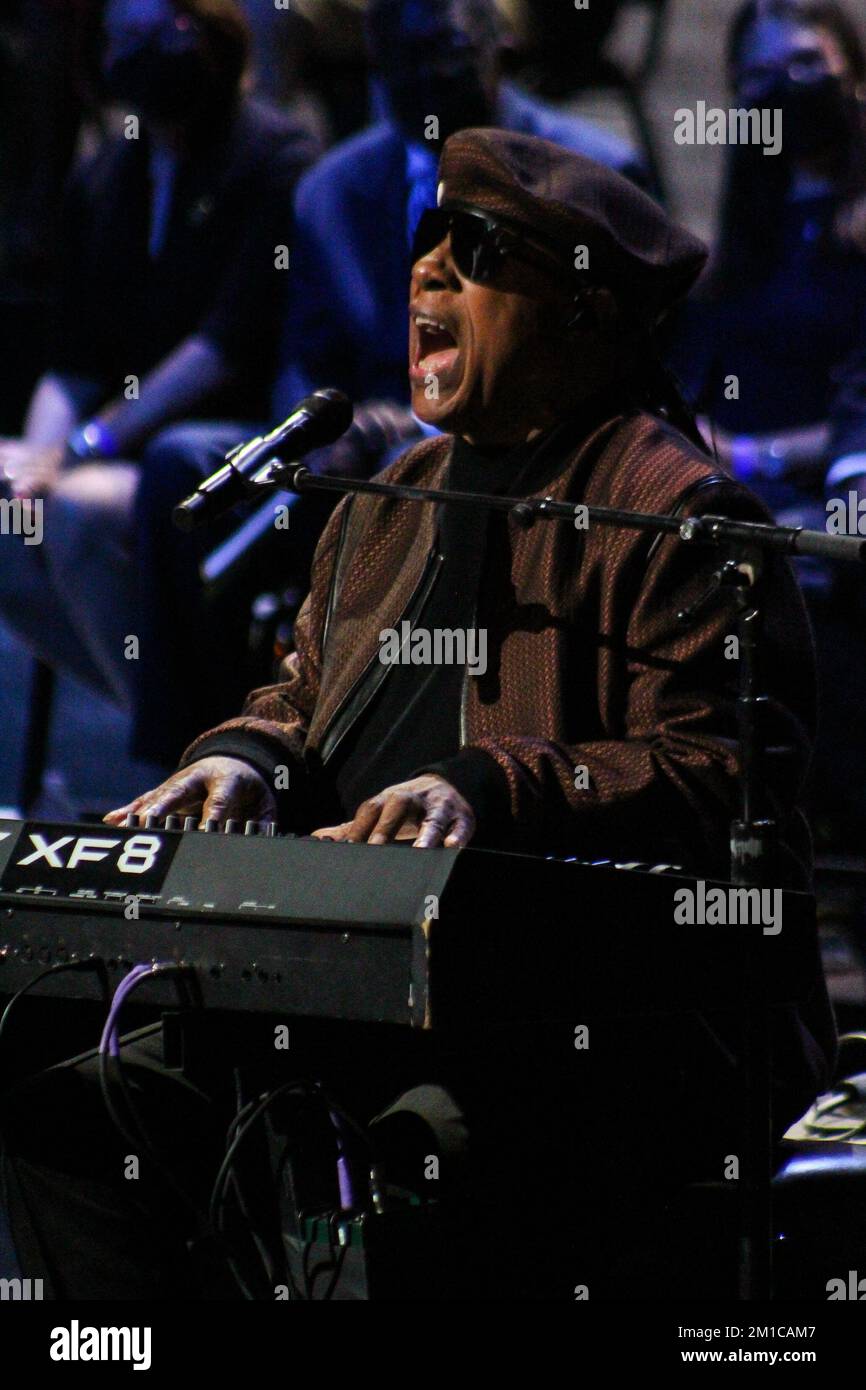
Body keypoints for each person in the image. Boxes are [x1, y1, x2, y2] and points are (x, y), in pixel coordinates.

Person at [1, 131, 835, 1300]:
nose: (427, 276)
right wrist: (247, 759)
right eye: (425, 244)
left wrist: (484, 787)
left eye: (478, 250)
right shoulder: (381, 501)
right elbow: (302, 692)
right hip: (349, 984)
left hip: (583, 1017)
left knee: (415, 1162)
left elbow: (706, 775)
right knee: (83, 1114)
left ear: (581, 314)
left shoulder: (674, 515)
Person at [130, 0, 651, 767]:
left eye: (443, 49)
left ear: (495, 41)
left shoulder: (592, 170)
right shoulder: (333, 188)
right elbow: (305, 358)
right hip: (359, 449)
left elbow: (607, 368)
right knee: (180, 460)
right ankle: (204, 763)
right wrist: (319, 443)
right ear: (374, 66)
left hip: (510, 445)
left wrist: (433, 428)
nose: (424, 73)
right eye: (399, 56)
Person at [0, 0, 319, 736]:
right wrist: (33, 458)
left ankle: (186, 747)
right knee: (11, 520)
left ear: (213, 34)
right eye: (122, 37)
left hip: (232, 449)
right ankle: (184, 734)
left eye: (164, 32)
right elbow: (73, 358)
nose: (141, 53)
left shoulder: (277, 160)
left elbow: (222, 349)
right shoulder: (113, 169)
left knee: (76, 513)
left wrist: (79, 450)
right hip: (118, 448)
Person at [666, 0, 866, 845]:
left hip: (829, 486)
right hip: (741, 489)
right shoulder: (756, 215)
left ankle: (836, 852)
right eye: (755, 80)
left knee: (809, 590)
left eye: (804, 66)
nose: (781, 93)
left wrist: (754, 452)